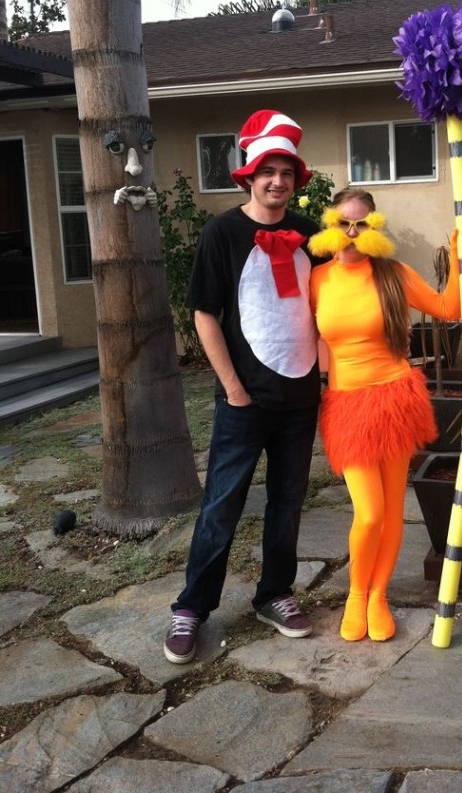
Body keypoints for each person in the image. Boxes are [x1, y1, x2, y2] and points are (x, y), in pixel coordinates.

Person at [164, 109, 322, 665]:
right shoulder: (223, 233)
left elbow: (332, 298)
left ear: (295, 180)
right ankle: (192, 607)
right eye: (267, 171)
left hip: (301, 398)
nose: (277, 181)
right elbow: (205, 314)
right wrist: (232, 387)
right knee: (222, 506)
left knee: (287, 503)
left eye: (286, 172)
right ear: (249, 176)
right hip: (244, 399)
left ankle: (274, 594)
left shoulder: (310, 233)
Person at [308, 188, 460, 642]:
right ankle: (356, 594)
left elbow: (449, 308)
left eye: (362, 224)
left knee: (393, 509)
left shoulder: (394, 275)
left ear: (376, 227)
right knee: (369, 512)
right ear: (330, 225)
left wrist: (459, 258)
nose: (352, 233)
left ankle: (378, 597)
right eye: (343, 223)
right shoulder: (315, 278)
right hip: (347, 406)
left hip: (395, 399)